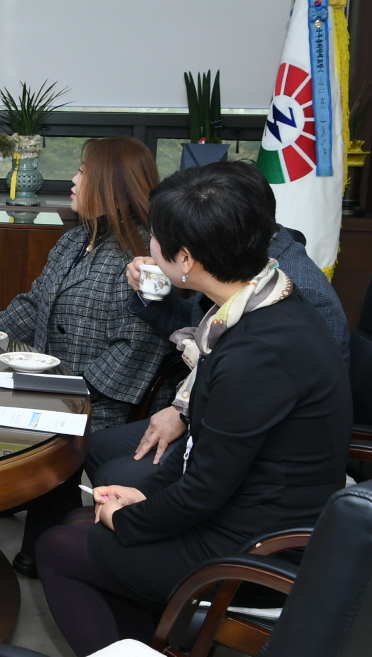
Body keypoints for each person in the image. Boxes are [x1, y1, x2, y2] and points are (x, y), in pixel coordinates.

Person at [35, 163, 352, 656]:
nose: (148, 245)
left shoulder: (256, 355)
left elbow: (205, 490)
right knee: (80, 525)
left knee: (57, 549)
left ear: (184, 258)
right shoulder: (267, 300)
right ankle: (150, 656)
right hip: (254, 511)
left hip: (257, 548)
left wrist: (132, 518)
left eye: (156, 237)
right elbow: (200, 448)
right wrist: (143, 495)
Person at [95, 159, 352, 490]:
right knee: (98, 446)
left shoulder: (297, 290)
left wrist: (183, 414)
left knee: (117, 478)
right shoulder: (236, 267)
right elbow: (194, 325)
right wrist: (150, 294)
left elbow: (282, 402)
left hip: (266, 452)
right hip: (212, 407)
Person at [0, 137, 173, 576]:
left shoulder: (146, 254)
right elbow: (36, 303)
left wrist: (69, 389)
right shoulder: (77, 238)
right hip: (54, 380)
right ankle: (6, 496)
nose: (73, 180)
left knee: (54, 432)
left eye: (82, 172)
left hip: (103, 398)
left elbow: (138, 345)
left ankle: (40, 547)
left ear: (110, 184)